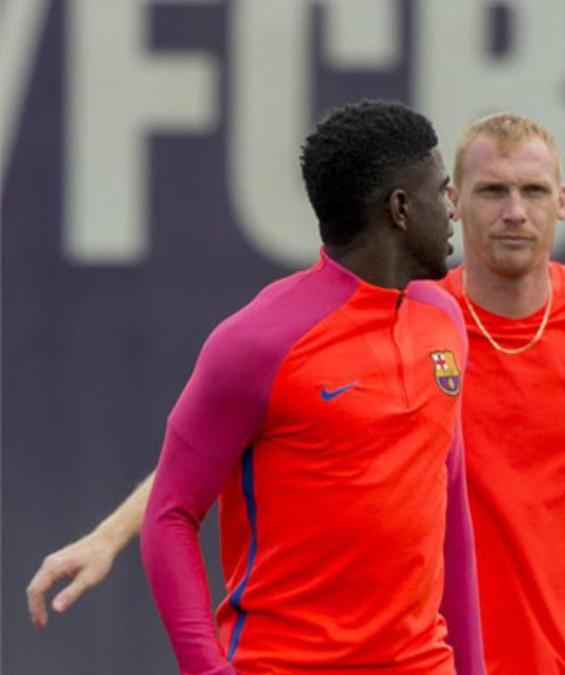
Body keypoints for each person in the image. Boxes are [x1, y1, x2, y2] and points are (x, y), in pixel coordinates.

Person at [28, 112, 565, 674]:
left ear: (563, 200)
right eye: (487, 190)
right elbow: (210, 455)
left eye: (533, 190)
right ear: (440, 202)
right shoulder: (378, 319)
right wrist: (111, 534)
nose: (511, 211)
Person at [140, 100, 484, 674]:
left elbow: (450, 512)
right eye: (442, 190)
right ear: (400, 208)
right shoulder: (256, 343)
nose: (454, 209)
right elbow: (169, 517)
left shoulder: (443, 319)